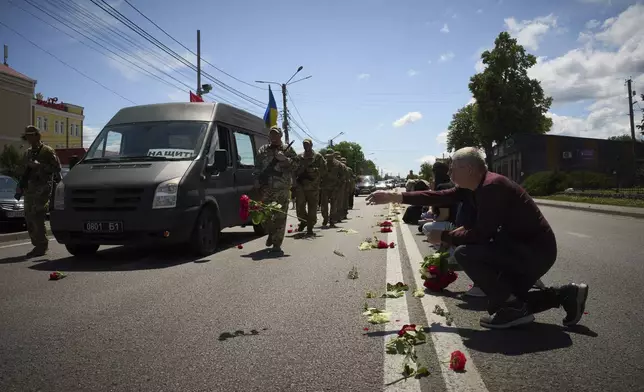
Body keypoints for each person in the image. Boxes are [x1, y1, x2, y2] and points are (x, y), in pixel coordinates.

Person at [366, 147, 588, 330]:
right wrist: (394, 196)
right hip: (519, 250)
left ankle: (513, 307)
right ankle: (565, 295)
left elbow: (482, 233)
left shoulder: (492, 187)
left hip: (533, 252)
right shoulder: (472, 187)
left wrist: (444, 235)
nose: (450, 172)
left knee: (465, 254)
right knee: (501, 302)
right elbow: (438, 196)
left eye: (453, 167)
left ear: (469, 169)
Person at [18, 126, 61, 257]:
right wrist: (20, 184)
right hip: (29, 189)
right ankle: (36, 244)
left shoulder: (47, 151)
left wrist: (40, 167)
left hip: (42, 188)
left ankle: (42, 246)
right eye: (27, 136)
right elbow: (22, 170)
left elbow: (57, 168)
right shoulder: (27, 153)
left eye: (32, 135)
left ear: (37, 136)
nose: (29, 138)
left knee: (37, 215)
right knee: (29, 216)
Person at [254, 127, 298, 253]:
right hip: (266, 188)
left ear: (281, 135)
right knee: (265, 216)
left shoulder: (287, 150)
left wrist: (285, 159)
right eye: (271, 134)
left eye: (276, 135)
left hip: (282, 188)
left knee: (280, 216)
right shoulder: (263, 150)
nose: (273, 137)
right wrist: (256, 179)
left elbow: (297, 166)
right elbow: (257, 166)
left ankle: (277, 244)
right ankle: (271, 234)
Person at [294, 139, 326, 235]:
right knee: (299, 207)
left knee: (312, 208)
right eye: (304, 144)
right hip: (301, 186)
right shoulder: (299, 157)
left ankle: (310, 227)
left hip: (313, 186)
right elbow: (293, 169)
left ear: (311, 145)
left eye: (307, 144)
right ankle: (303, 221)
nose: (305, 146)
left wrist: (314, 171)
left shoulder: (318, 157)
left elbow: (324, 170)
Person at [320, 151, 342, 227]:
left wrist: (339, 184)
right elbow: (319, 174)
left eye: (330, 157)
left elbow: (343, 175)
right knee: (324, 205)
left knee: (334, 205)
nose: (328, 159)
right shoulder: (323, 164)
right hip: (324, 187)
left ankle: (332, 220)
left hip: (334, 188)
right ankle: (325, 219)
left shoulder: (338, 164)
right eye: (327, 157)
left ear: (333, 156)